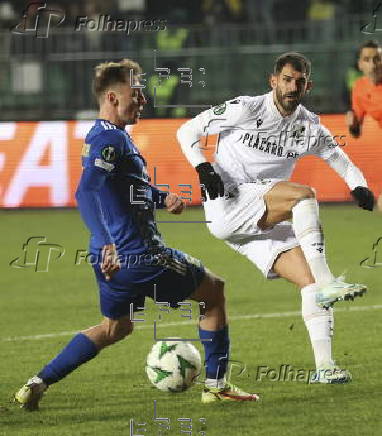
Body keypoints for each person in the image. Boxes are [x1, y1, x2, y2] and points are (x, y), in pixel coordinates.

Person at [14, 59, 259, 410]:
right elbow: (86, 191)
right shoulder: (110, 139)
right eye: (136, 93)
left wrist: (162, 197)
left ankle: (38, 382)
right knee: (214, 292)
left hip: (110, 261)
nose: (143, 99)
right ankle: (216, 386)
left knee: (116, 328)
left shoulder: (106, 136)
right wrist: (108, 241)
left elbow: (125, 189)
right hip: (140, 256)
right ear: (113, 97)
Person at [177, 52, 374, 384]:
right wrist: (202, 165)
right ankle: (330, 284)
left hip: (257, 221)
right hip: (230, 202)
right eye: (286, 79)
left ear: (307, 86)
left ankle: (325, 367)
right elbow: (187, 131)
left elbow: (337, 157)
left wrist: (359, 186)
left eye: (299, 81)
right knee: (304, 195)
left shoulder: (308, 125)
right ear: (273, 81)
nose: (292, 86)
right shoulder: (246, 108)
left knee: (308, 282)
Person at [346, 40, 382, 210]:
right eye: (367, 60)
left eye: (377, 59)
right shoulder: (359, 87)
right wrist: (352, 123)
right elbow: (356, 131)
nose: (373, 65)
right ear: (360, 64)